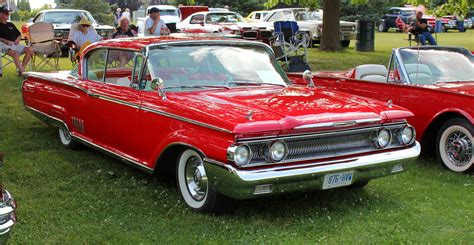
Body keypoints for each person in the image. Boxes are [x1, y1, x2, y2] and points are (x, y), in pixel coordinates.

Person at [0, 6, 33, 75]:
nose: (8, 14)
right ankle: (24, 73)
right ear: (1, 14)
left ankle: (21, 70)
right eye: (6, 13)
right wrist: (5, 40)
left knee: (30, 49)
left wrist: (18, 39)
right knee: (15, 54)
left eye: (8, 13)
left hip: (15, 44)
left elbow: (19, 34)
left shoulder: (10, 24)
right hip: (4, 45)